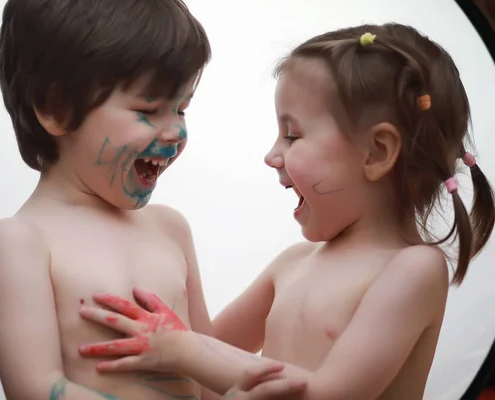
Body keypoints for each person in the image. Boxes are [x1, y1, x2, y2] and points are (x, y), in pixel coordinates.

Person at [75, 23, 495, 399]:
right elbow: (203, 369)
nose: (272, 155)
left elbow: (327, 392)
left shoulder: (413, 270)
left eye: (292, 136)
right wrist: (174, 256)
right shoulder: (291, 265)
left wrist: (178, 348)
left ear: (377, 152)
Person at [0, 1, 299, 399]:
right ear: (56, 108)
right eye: (149, 109)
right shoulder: (22, 240)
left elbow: (206, 368)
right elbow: (35, 389)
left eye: (181, 110)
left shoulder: (169, 228)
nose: (174, 132)